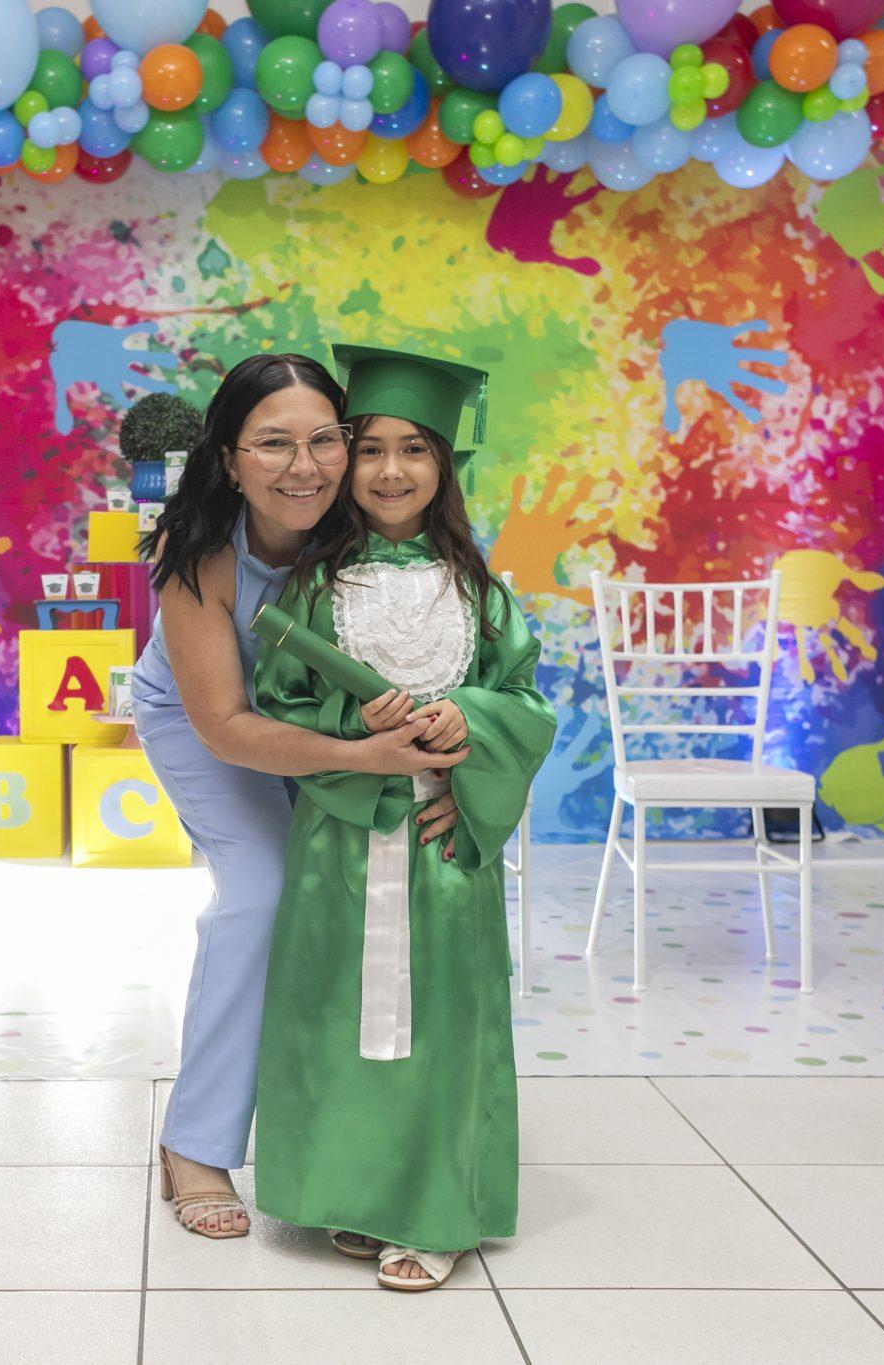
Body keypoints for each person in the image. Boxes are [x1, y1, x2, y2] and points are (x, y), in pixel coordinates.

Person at [132, 353, 474, 1239]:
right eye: (273, 443)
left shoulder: (367, 526)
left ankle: (344, 1137)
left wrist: (448, 768)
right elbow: (226, 724)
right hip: (209, 724)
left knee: (356, 898)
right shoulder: (198, 554)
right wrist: (365, 759)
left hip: (335, 729)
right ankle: (195, 1141)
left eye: (326, 439)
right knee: (263, 892)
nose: (305, 466)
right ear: (228, 456)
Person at [252, 345, 556, 1290]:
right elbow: (281, 702)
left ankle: (435, 1213)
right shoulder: (314, 588)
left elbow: (526, 702)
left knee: (443, 1025)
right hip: (342, 836)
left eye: (415, 449)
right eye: (372, 449)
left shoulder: (482, 593)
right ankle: (360, 1190)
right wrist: (356, 725)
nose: (391, 471)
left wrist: (471, 723)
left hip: (440, 836)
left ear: (445, 464)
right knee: (335, 1014)